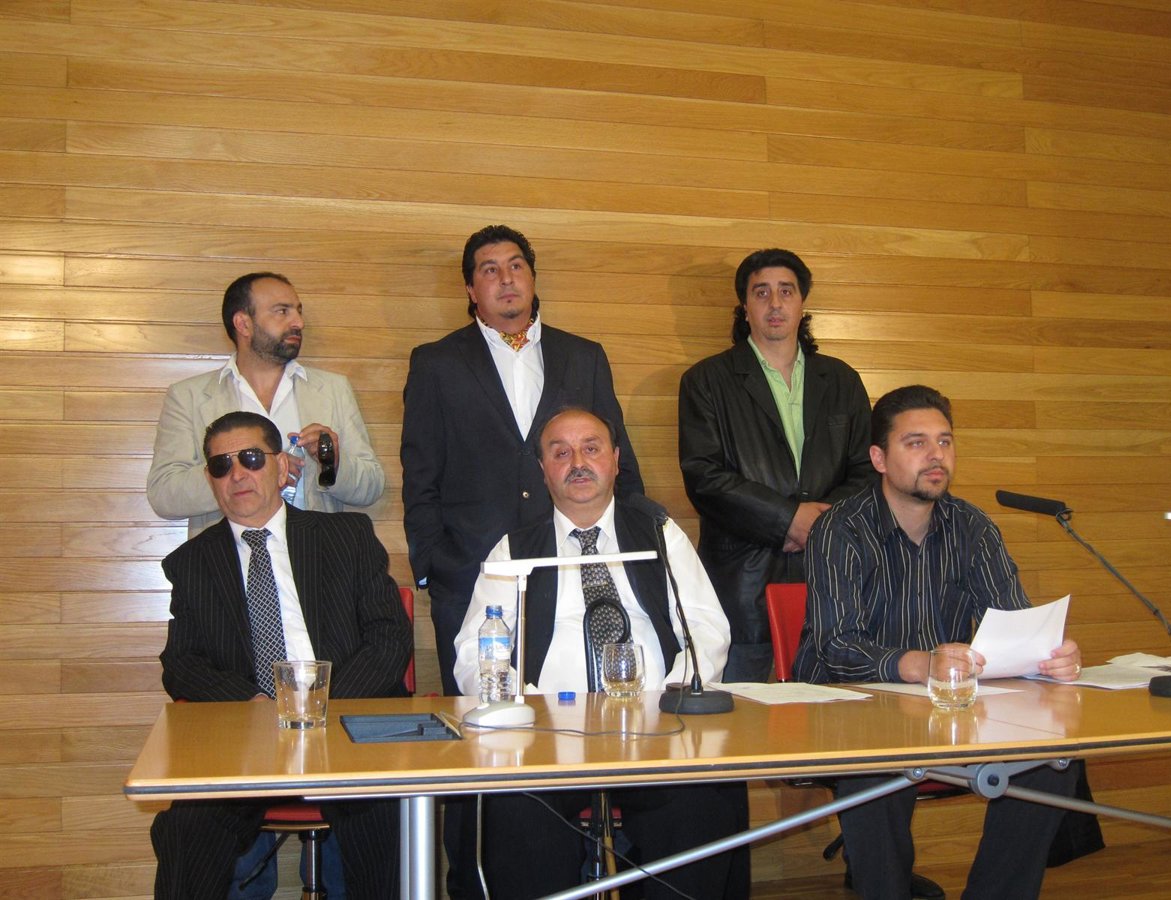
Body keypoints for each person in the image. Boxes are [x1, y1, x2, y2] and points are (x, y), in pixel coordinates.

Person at [795, 385, 1083, 900]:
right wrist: (918, 664)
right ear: (879, 458)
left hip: (947, 706)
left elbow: (1013, 622)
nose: (936, 455)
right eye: (917, 443)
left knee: (1052, 763)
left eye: (945, 442)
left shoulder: (973, 527)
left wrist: (1048, 656)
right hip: (852, 707)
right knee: (874, 772)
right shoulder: (840, 529)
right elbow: (835, 647)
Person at [452, 407, 747, 900]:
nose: (577, 463)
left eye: (590, 449)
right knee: (515, 814)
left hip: (657, 731)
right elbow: (473, 651)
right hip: (546, 740)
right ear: (542, 469)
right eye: (560, 453)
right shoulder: (514, 548)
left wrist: (672, 697)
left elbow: (706, 628)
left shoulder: (659, 531)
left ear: (615, 459)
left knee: (699, 806)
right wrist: (524, 709)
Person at [150, 411, 410, 900]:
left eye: (250, 458)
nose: (237, 475)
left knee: (384, 818)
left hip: (347, 727)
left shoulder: (346, 536)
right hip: (247, 739)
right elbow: (181, 663)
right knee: (185, 831)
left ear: (282, 465)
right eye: (221, 465)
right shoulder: (192, 562)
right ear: (210, 479)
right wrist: (251, 703)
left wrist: (321, 705)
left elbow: (389, 637)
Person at [402, 224, 644, 696]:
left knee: (584, 701)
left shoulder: (583, 356)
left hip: (572, 563)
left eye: (516, 266)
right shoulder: (436, 363)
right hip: (472, 573)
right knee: (482, 714)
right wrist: (432, 565)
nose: (506, 279)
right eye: (490, 270)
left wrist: (633, 542)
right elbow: (421, 473)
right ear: (471, 289)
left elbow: (619, 456)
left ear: (532, 278)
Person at [678, 248, 874, 683]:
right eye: (761, 292)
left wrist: (820, 525)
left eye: (786, 291)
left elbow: (867, 471)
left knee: (833, 711)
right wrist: (788, 519)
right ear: (745, 306)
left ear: (802, 303)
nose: (775, 303)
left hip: (832, 580)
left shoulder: (842, 380)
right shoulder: (706, 381)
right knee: (743, 711)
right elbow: (704, 477)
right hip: (741, 583)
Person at [148, 272, 384, 538]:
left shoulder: (333, 389)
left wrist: (332, 464)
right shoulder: (189, 396)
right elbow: (164, 494)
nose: (298, 322)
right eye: (282, 311)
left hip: (316, 554)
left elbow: (371, 487)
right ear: (243, 324)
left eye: (298, 311)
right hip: (226, 556)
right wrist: (246, 469)